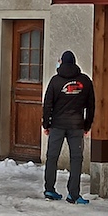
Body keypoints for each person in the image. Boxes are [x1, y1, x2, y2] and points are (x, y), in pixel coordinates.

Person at [40, 50, 95, 204]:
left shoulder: (55, 81)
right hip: (76, 126)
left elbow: (47, 105)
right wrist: (87, 125)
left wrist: (46, 124)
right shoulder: (85, 81)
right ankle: (74, 194)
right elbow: (91, 106)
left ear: (62, 62)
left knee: (52, 157)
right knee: (76, 159)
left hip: (57, 125)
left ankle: (49, 189)